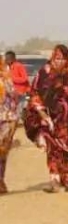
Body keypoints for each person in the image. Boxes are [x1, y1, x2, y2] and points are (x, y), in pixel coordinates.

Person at [23, 45, 68, 193]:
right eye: (56, 59)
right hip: (50, 120)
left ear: (67, 58)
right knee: (53, 150)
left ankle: (67, 179)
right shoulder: (44, 73)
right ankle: (55, 180)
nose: (59, 62)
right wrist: (43, 114)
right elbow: (35, 93)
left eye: (62, 59)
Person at [0, 59, 20, 194]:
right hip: (8, 118)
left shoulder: (6, 80)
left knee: (2, 153)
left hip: (6, 119)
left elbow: (14, 98)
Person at [4, 51, 30, 117]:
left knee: (17, 113)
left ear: (13, 58)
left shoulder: (19, 66)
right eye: (6, 58)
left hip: (20, 92)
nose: (6, 60)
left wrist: (12, 79)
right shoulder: (7, 67)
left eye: (8, 58)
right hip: (10, 93)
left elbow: (25, 79)